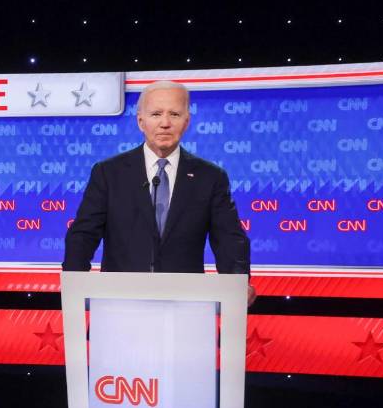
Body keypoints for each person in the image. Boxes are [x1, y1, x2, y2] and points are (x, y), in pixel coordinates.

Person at [62, 80, 254, 303]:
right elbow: (83, 234)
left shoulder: (210, 177)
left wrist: (237, 283)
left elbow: (229, 239)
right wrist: (74, 281)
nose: (165, 123)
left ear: (187, 121)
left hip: (186, 304)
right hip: (120, 302)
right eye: (156, 114)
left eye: (174, 114)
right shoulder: (108, 173)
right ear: (140, 121)